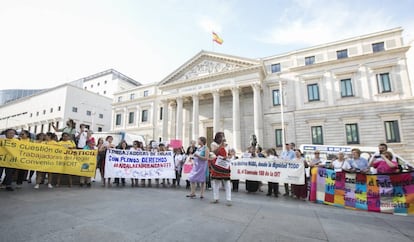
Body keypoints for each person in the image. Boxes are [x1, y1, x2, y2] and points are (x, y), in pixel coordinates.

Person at [209, 132, 232, 206]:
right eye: (220, 137)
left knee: (227, 183)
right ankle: (216, 198)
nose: (222, 138)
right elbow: (214, 152)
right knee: (216, 182)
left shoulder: (227, 145)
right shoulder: (213, 144)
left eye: (223, 137)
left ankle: (229, 199)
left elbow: (229, 154)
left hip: (224, 164)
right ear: (217, 138)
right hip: (217, 165)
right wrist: (221, 146)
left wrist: (229, 156)